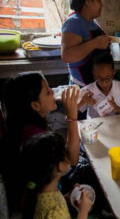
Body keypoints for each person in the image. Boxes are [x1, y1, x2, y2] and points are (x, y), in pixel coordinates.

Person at [2, 71, 80, 213]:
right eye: (47, 92)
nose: (52, 91)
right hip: (41, 200)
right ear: (35, 105)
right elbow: (72, 160)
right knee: (85, 172)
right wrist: (72, 117)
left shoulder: (22, 124)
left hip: (42, 188)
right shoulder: (34, 136)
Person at [19, 132, 93, 219]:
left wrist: (66, 197)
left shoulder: (37, 188)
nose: (67, 151)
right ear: (59, 167)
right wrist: (83, 212)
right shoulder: (56, 211)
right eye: (64, 151)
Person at [61, 0, 110, 86]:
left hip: (95, 87)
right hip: (81, 89)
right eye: (98, 0)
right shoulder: (74, 22)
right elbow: (67, 56)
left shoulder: (93, 22)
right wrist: (96, 43)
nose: (101, 4)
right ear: (87, 2)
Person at [78, 54, 120, 119]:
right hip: (95, 127)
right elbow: (70, 115)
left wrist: (118, 110)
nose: (104, 83)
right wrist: (82, 102)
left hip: (116, 124)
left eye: (107, 78)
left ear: (113, 72)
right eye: (99, 78)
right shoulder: (87, 91)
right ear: (93, 74)